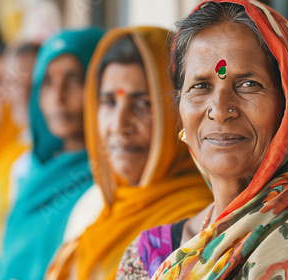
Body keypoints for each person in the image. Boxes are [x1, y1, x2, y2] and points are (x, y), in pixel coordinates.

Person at [119, 1, 288, 279]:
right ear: (179, 108)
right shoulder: (146, 255)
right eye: (201, 86)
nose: (220, 110)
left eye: (248, 84)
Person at [46, 26, 213, 280]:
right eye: (109, 102)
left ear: (179, 110)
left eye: (143, 104)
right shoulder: (99, 208)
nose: (120, 125)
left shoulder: (198, 225)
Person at [0, 28, 104, 280]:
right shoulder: (31, 169)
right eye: (48, 83)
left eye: (75, 80)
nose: (58, 97)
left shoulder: (111, 175)